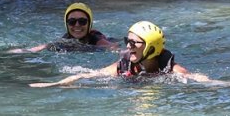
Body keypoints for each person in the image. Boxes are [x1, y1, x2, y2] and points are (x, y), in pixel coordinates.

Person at [29, 20, 215, 87]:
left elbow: (198, 78)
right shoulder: (124, 64)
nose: (129, 46)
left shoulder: (172, 70)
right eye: (128, 41)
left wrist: (219, 84)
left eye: (134, 42)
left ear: (151, 47)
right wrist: (55, 83)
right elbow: (91, 74)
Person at [12, 2, 117, 52]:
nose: (77, 25)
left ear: (89, 24)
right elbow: (39, 48)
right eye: (72, 21)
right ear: (66, 24)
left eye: (82, 21)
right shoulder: (65, 40)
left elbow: (115, 48)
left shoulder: (96, 39)